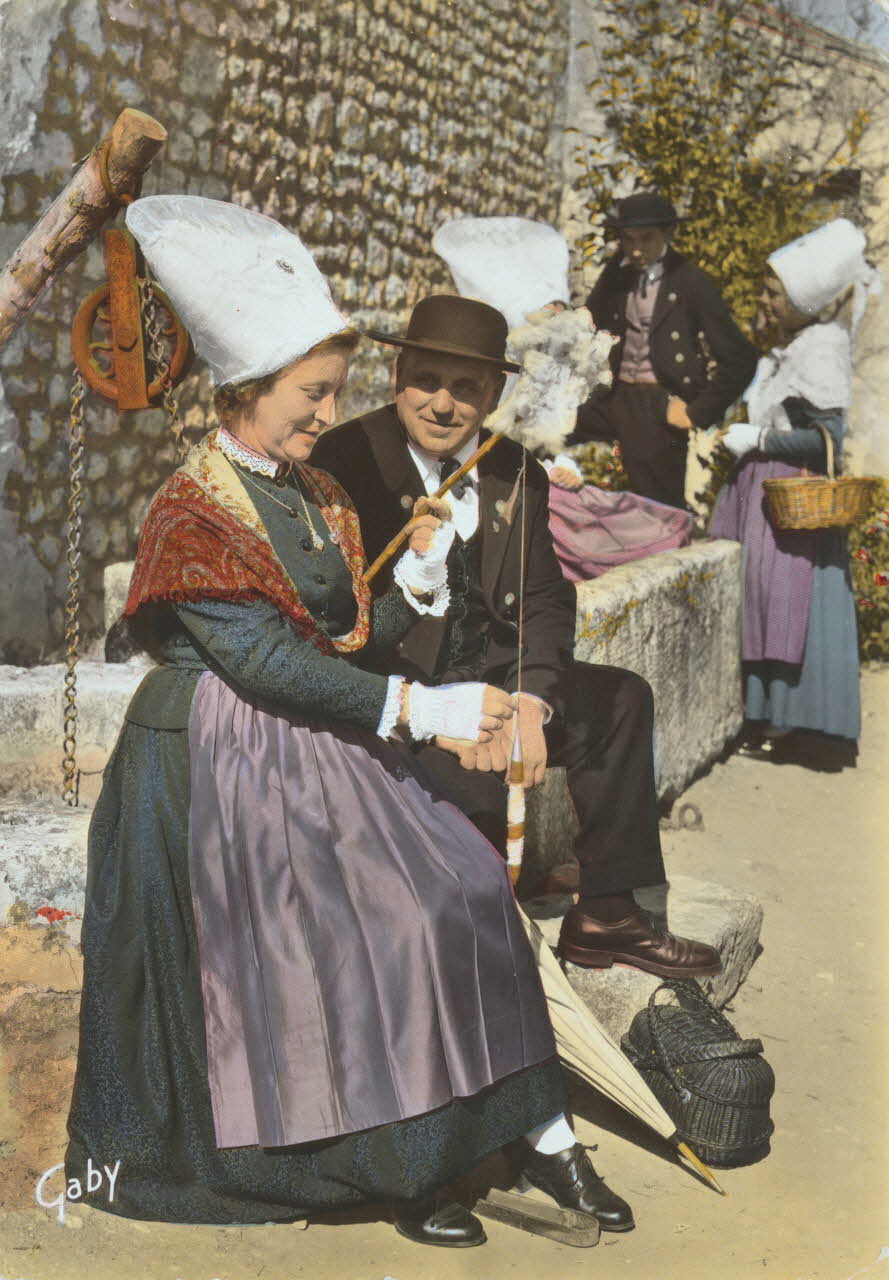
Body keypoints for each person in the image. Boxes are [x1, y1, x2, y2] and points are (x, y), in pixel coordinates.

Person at [65, 195, 619, 1246]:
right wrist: (419, 703)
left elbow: (333, 630)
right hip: (205, 770)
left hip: (306, 744)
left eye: (332, 393)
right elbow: (263, 660)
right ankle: (411, 1162)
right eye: (310, 395)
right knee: (379, 923)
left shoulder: (314, 490)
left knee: (460, 883)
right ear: (246, 390)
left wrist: (411, 579)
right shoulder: (192, 508)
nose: (328, 415)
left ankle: (536, 1132)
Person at [311, 293, 722, 989]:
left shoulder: (512, 467)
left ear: (493, 393)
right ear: (396, 376)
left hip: (497, 686)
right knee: (471, 865)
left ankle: (608, 914)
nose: (442, 405)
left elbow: (542, 599)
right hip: (407, 701)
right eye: (427, 381)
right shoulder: (342, 458)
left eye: (465, 388)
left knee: (621, 700)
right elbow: (331, 618)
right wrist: (448, 715)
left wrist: (532, 700)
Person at [431, 213, 694, 581]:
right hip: (487, 492)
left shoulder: (546, 367)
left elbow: (547, 434)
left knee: (636, 527)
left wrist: (564, 466)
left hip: (536, 486)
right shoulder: (482, 375)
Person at [710, 218, 879, 754]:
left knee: (784, 600)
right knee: (758, 598)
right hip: (756, 490)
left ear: (805, 301)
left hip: (788, 495)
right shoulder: (787, 346)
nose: (763, 300)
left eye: (773, 293)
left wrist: (759, 437)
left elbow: (825, 440)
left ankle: (789, 720)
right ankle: (760, 716)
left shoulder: (820, 348)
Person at [572, 190, 758, 509]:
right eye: (628, 240)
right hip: (613, 395)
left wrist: (697, 412)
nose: (636, 249)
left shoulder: (689, 280)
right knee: (548, 440)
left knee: (655, 504)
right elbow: (589, 323)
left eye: (646, 238)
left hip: (657, 402)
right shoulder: (618, 272)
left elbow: (740, 359)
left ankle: (665, 552)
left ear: (667, 233)